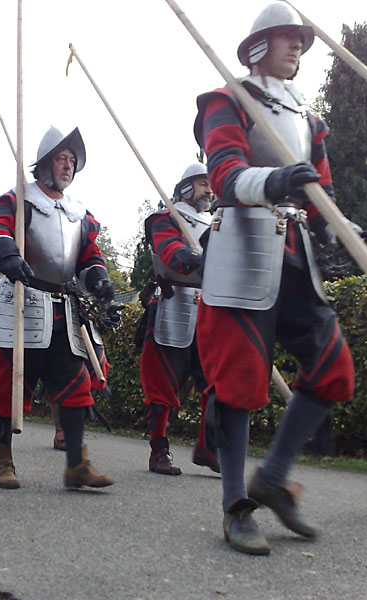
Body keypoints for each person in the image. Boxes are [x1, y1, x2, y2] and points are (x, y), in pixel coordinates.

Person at [193, 2, 355, 555]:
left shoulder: (309, 119)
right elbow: (223, 174)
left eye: (302, 42)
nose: (299, 49)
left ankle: (274, 476)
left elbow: (321, 190)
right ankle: (237, 505)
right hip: (242, 247)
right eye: (289, 39)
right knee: (239, 381)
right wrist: (278, 178)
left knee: (335, 367)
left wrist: (336, 224)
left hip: (295, 255)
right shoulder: (226, 100)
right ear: (260, 45)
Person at [0, 125, 115, 490]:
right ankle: (3, 459)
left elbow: (88, 254)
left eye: (72, 160)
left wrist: (99, 277)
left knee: (75, 385)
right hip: (21, 302)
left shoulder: (78, 213)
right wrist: (8, 256)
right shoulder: (17, 199)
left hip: (63, 308)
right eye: (61, 158)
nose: (68, 166)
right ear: (43, 164)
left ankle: (76, 465)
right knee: (9, 387)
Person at [139, 163, 220, 476]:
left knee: (215, 384)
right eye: (202, 184)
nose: (209, 190)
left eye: (211, 185)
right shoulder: (166, 217)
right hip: (174, 306)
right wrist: (186, 255)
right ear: (186, 187)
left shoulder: (217, 221)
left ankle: (207, 448)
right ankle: (159, 451)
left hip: (211, 309)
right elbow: (169, 249)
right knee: (162, 386)